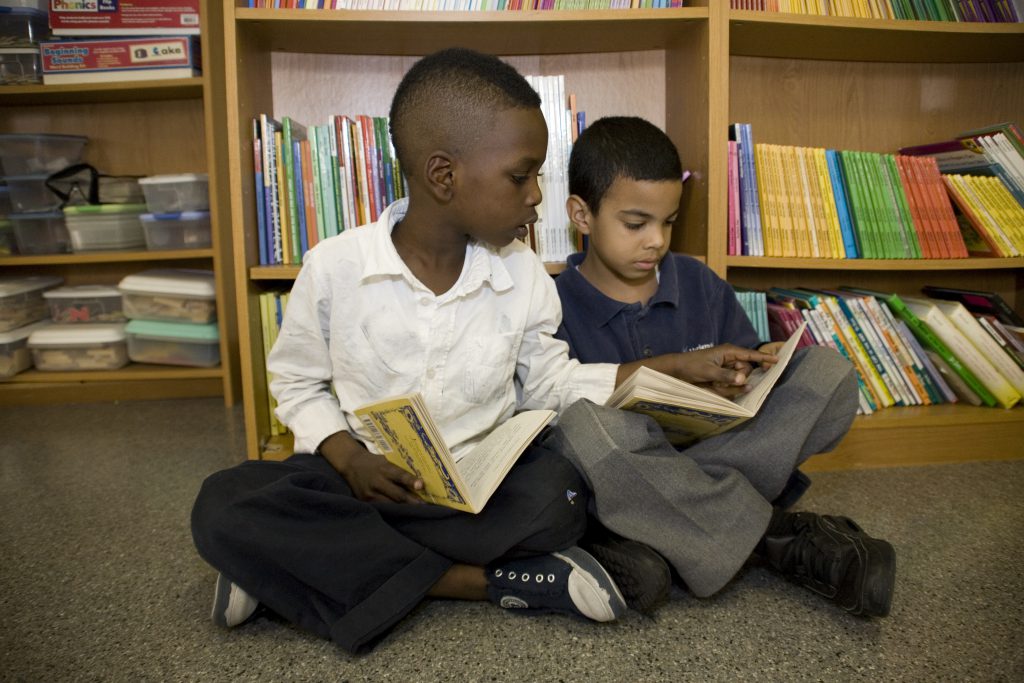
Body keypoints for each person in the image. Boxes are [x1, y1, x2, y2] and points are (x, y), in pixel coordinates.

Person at [190, 50, 741, 654]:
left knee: (561, 497)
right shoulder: (335, 267)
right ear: (444, 176)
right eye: (521, 176)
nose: (536, 195)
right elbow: (297, 385)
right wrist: (350, 460)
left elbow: (552, 387)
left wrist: (666, 367)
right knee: (224, 502)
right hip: (360, 479)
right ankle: (475, 583)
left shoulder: (525, 277)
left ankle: (291, 572)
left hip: (478, 489)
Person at [542, 116, 896, 618]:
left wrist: (759, 368)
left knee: (828, 373)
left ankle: (656, 528)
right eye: (636, 224)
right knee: (586, 430)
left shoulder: (699, 283)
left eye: (668, 222)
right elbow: (554, 414)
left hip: (711, 448)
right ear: (581, 214)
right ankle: (774, 538)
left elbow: (748, 369)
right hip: (619, 464)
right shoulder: (552, 303)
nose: (657, 241)